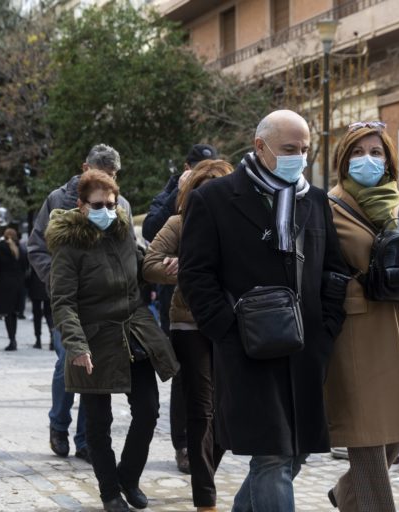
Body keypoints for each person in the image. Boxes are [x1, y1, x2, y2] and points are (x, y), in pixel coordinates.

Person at [179, 110, 349, 512]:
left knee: (294, 454)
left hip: (306, 351)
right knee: (271, 455)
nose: (300, 157)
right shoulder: (215, 199)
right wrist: (226, 330)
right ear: (260, 146)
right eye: (290, 149)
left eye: (305, 149)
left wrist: (327, 328)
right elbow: (195, 275)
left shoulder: (315, 199)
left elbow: (335, 270)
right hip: (249, 350)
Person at [47, 170, 179, 512]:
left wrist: (164, 269)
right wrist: (75, 345)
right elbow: (63, 301)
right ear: (80, 205)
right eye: (98, 204)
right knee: (98, 423)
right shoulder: (68, 244)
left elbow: (140, 269)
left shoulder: (122, 233)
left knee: (148, 411)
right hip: (93, 339)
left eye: (111, 203)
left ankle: (128, 476)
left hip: (133, 332)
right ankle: (109, 492)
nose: (107, 210)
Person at [324, 121, 399, 511]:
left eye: (375, 152)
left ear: (388, 159)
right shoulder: (327, 204)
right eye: (357, 152)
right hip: (356, 331)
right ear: (342, 159)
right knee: (368, 439)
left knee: (394, 439)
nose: (366, 160)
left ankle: (344, 494)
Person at [28, 144, 134, 463]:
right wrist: (58, 279)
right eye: (102, 172)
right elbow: (36, 248)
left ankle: (86, 439)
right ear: (85, 167)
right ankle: (59, 424)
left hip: (107, 307)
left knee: (96, 369)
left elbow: (129, 249)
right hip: (69, 303)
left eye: (113, 175)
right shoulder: (57, 200)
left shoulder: (121, 204)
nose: (108, 179)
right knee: (67, 361)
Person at [143, 159, 233, 512]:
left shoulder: (238, 226)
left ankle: (205, 469)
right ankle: (205, 496)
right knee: (202, 410)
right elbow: (150, 265)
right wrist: (180, 269)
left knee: (227, 409)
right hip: (189, 324)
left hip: (231, 324)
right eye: (202, 188)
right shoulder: (179, 224)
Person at [0, 228, 28, 351]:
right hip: (18, 285)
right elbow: (26, 267)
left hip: (4, 285)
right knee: (14, 314)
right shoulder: (21, 248)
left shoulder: (0, 248)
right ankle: (13, 338)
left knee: (7, 314)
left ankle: (12, 340)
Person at [27, 267, 53, 349]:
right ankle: (52, 337)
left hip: (35, 285)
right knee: (49, 314)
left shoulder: (34, 254)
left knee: (37, 315)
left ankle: (38, 340)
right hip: (48, 285)